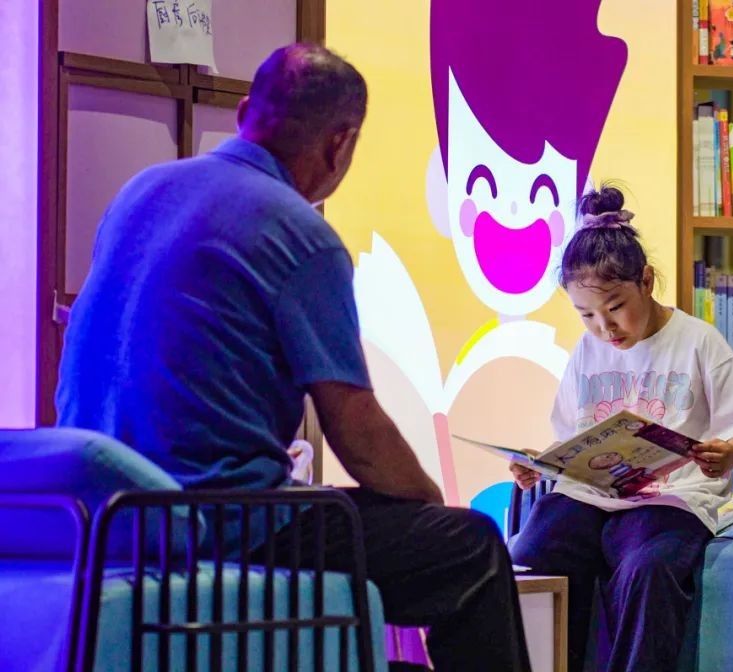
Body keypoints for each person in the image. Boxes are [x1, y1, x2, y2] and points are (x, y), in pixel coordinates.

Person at [56, 43, 530, 671]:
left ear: (244, 113)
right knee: (468, 547)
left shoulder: (140, 192)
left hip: (97, 514)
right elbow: (358, 435)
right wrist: (430, 500)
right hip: (216, 522)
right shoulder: (300, 234)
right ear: (340, 145)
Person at [509, 184, 733, 672]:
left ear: (646, 281)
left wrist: (726, 454)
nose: (604, 327)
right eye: (586, 315)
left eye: (615, 306)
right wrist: (541, 465)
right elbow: (570, 436)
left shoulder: (699, 342)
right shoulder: (587, 351)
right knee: (534, 548)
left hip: (670, 498)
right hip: (590, 496)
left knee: (649, 567)